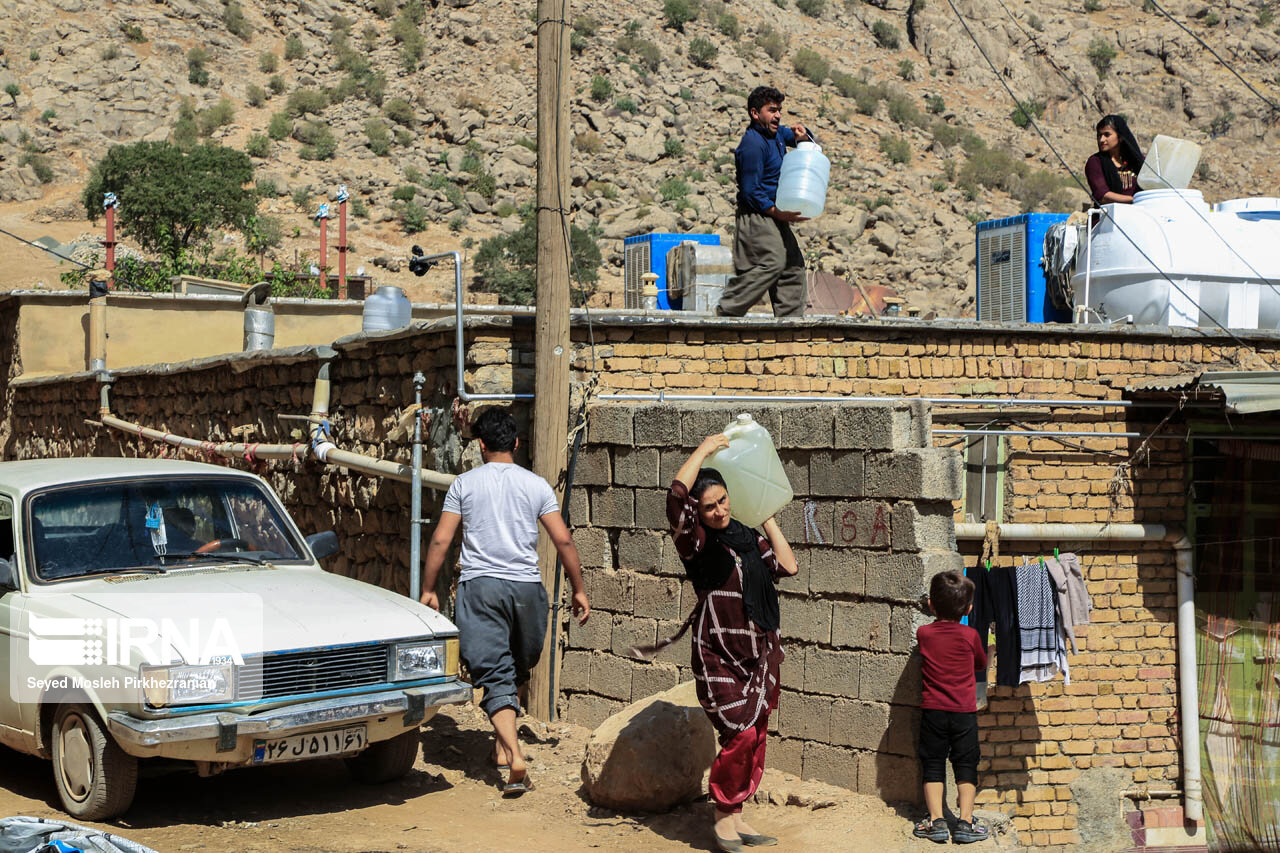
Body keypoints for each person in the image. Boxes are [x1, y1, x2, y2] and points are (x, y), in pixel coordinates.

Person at [637, 434, 798, 852]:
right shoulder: (698, 544)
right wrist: (705, 449)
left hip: (758, 654)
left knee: (757, 736)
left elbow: (788, 565)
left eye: (724, 501)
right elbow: (674, 499)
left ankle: (737, 817)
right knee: (739, 735)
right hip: (719, 654)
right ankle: (722, 815)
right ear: (700, 513)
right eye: (709, 507)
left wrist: (763, 513)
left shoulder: (746, 537)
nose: (720, 510)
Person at [419, 406, 590, 797]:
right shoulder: (537, 485)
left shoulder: (464, 484)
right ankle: (504, 750)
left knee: (496, 673)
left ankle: (513, 756)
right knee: (514, 665)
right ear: (515, 443)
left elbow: (442, 540)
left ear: (480, 445)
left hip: (481, 589)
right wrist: (579, 589)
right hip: (527, 592)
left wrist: (429, 588)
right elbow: (563, 540)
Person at [719, 85, 814, 318]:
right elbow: (751, 191)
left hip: (775, 212)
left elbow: (799, 138)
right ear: (755, 113)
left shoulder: (777, 135)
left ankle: (789, 326)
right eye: (772, 110)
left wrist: (804, 135)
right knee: (772, 261)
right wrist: (777, 212)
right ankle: (727, 311)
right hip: (757, 214)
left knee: (793, 266)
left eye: (779, 110)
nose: (778, 115)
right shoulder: (752, 144)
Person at [913, 570, 991, 845]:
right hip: (964, 714)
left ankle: (936, 822)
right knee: (966, 765)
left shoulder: (924, 633)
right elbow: (979, 664)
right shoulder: (970, 636)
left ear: (932, 605)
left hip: (933, 711)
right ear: (969, 608)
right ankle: (965, 822)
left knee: (933, 764)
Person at [1085, 114, 1144, 205]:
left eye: (1107, 135)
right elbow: (1103, 196)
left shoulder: (1137, 162)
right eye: (1099, 135)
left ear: (1120, 137)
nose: (1101, 139)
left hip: (1139, 212)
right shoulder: (1095, 162)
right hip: (1108, 215)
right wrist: (1134, 200)